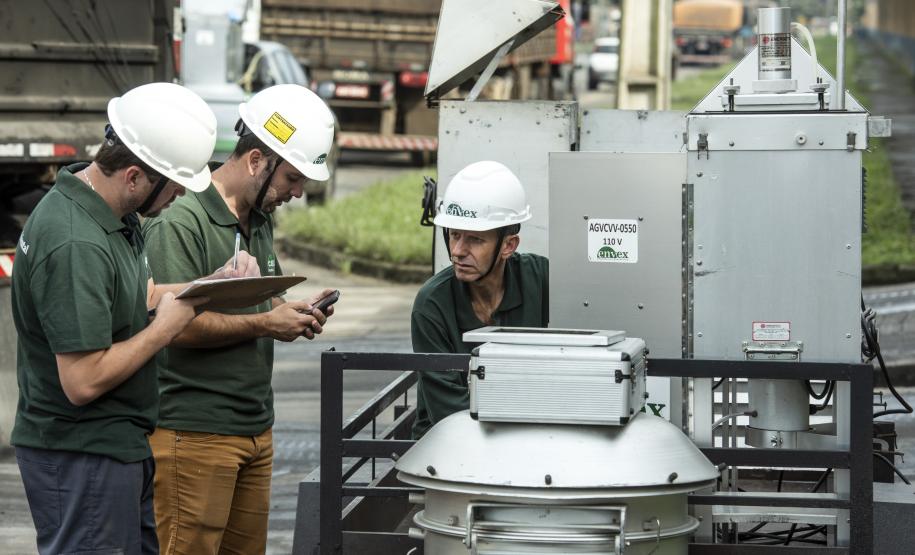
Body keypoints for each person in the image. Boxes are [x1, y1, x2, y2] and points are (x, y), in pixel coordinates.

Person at [9, 82, 260, 555]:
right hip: (81, 453)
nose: (180, 197)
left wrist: (212, 284)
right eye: (176, 185)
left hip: (116, 447)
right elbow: (82, 380)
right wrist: (168, 327)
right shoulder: (74, 242)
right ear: (133, 176)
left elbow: (141, 296)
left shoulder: (115, 216)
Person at [141, 84, 338, 555]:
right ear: (255, 161)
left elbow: (248, 302)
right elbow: (175, 327)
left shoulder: (258, 216)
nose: (297, 192)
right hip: (193, 432)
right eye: (292, 177)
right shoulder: (181, 222)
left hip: (254, 429)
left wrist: (284, 312)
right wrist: (266, 325)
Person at [411, 161, 549, 438]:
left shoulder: (543, 280)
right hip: (449, 445)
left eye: (475, 240)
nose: (458, 251)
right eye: (454, 235)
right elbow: (448, 412)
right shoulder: (432, 304)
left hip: (535, 437)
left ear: (508, 246)